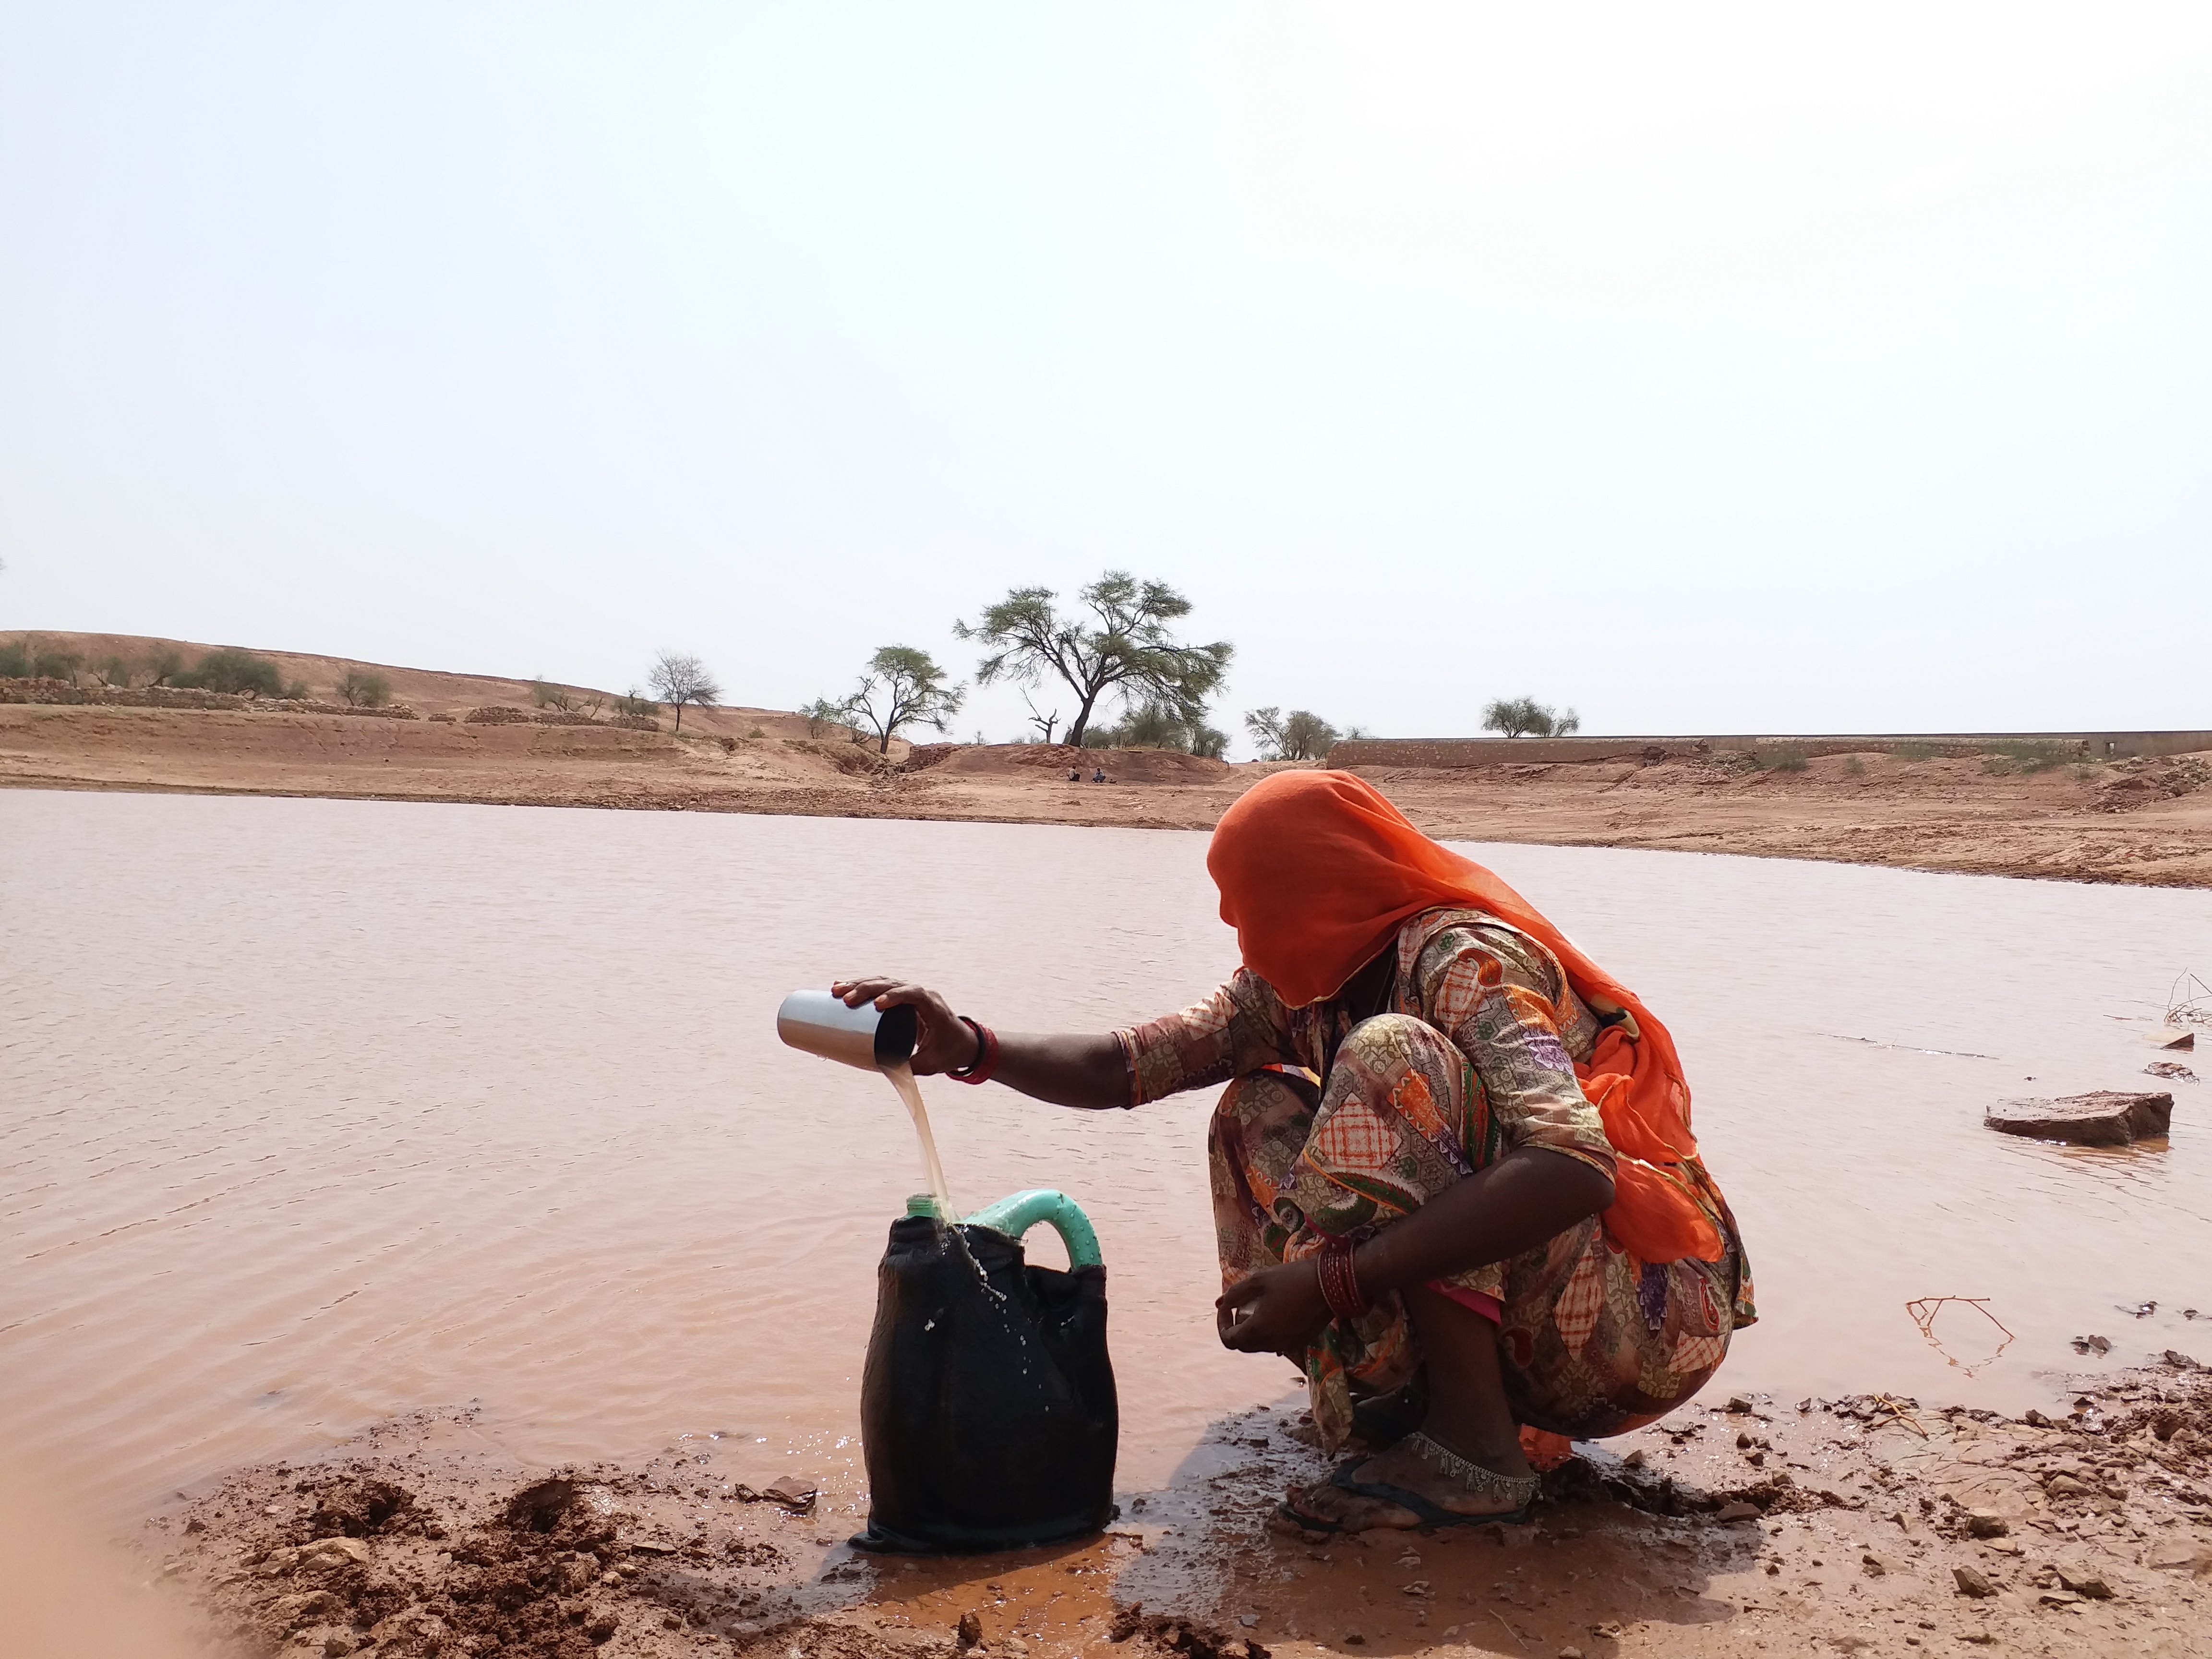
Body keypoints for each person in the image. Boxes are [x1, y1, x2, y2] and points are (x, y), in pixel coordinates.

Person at [834, 770, 1751, 1534]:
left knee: (1397, 1059)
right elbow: (1131, 1064)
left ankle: (1476, 1450)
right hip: (1546, 1307)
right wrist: (973, 1048)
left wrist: (1327, 1284)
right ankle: (1393, 1417)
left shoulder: (1462, 958)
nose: (1240, 929)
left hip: (1644, 1320)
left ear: (1316, 886)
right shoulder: (1304, 983)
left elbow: (1570, 1165)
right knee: (1256, 1110)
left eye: (1251, 903)